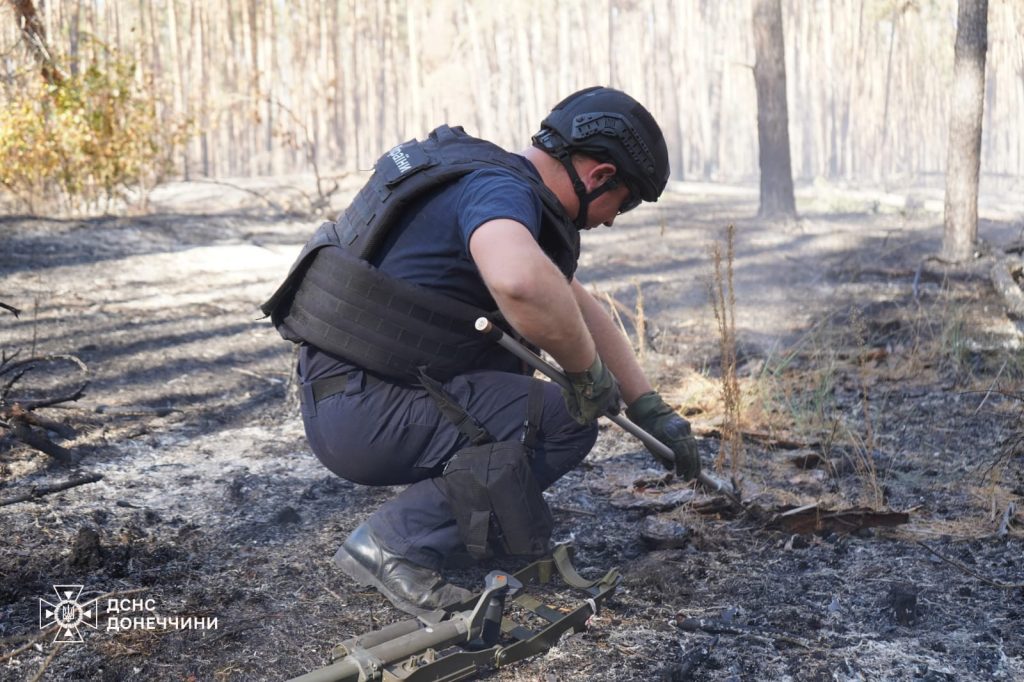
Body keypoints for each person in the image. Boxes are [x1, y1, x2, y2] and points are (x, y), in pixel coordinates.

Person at [261, 86, 700, 617]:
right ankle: (394, 542)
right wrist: (585, 373)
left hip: (347, 400)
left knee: (532, 398)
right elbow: (521, 283)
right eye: (623, 203)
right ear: (600, 175)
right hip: (366, 415)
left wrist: (647, 405)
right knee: (565, 423)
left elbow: (571, 300)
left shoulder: (486, 177)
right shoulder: (500, 191)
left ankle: (465, 524)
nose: (610, 219)